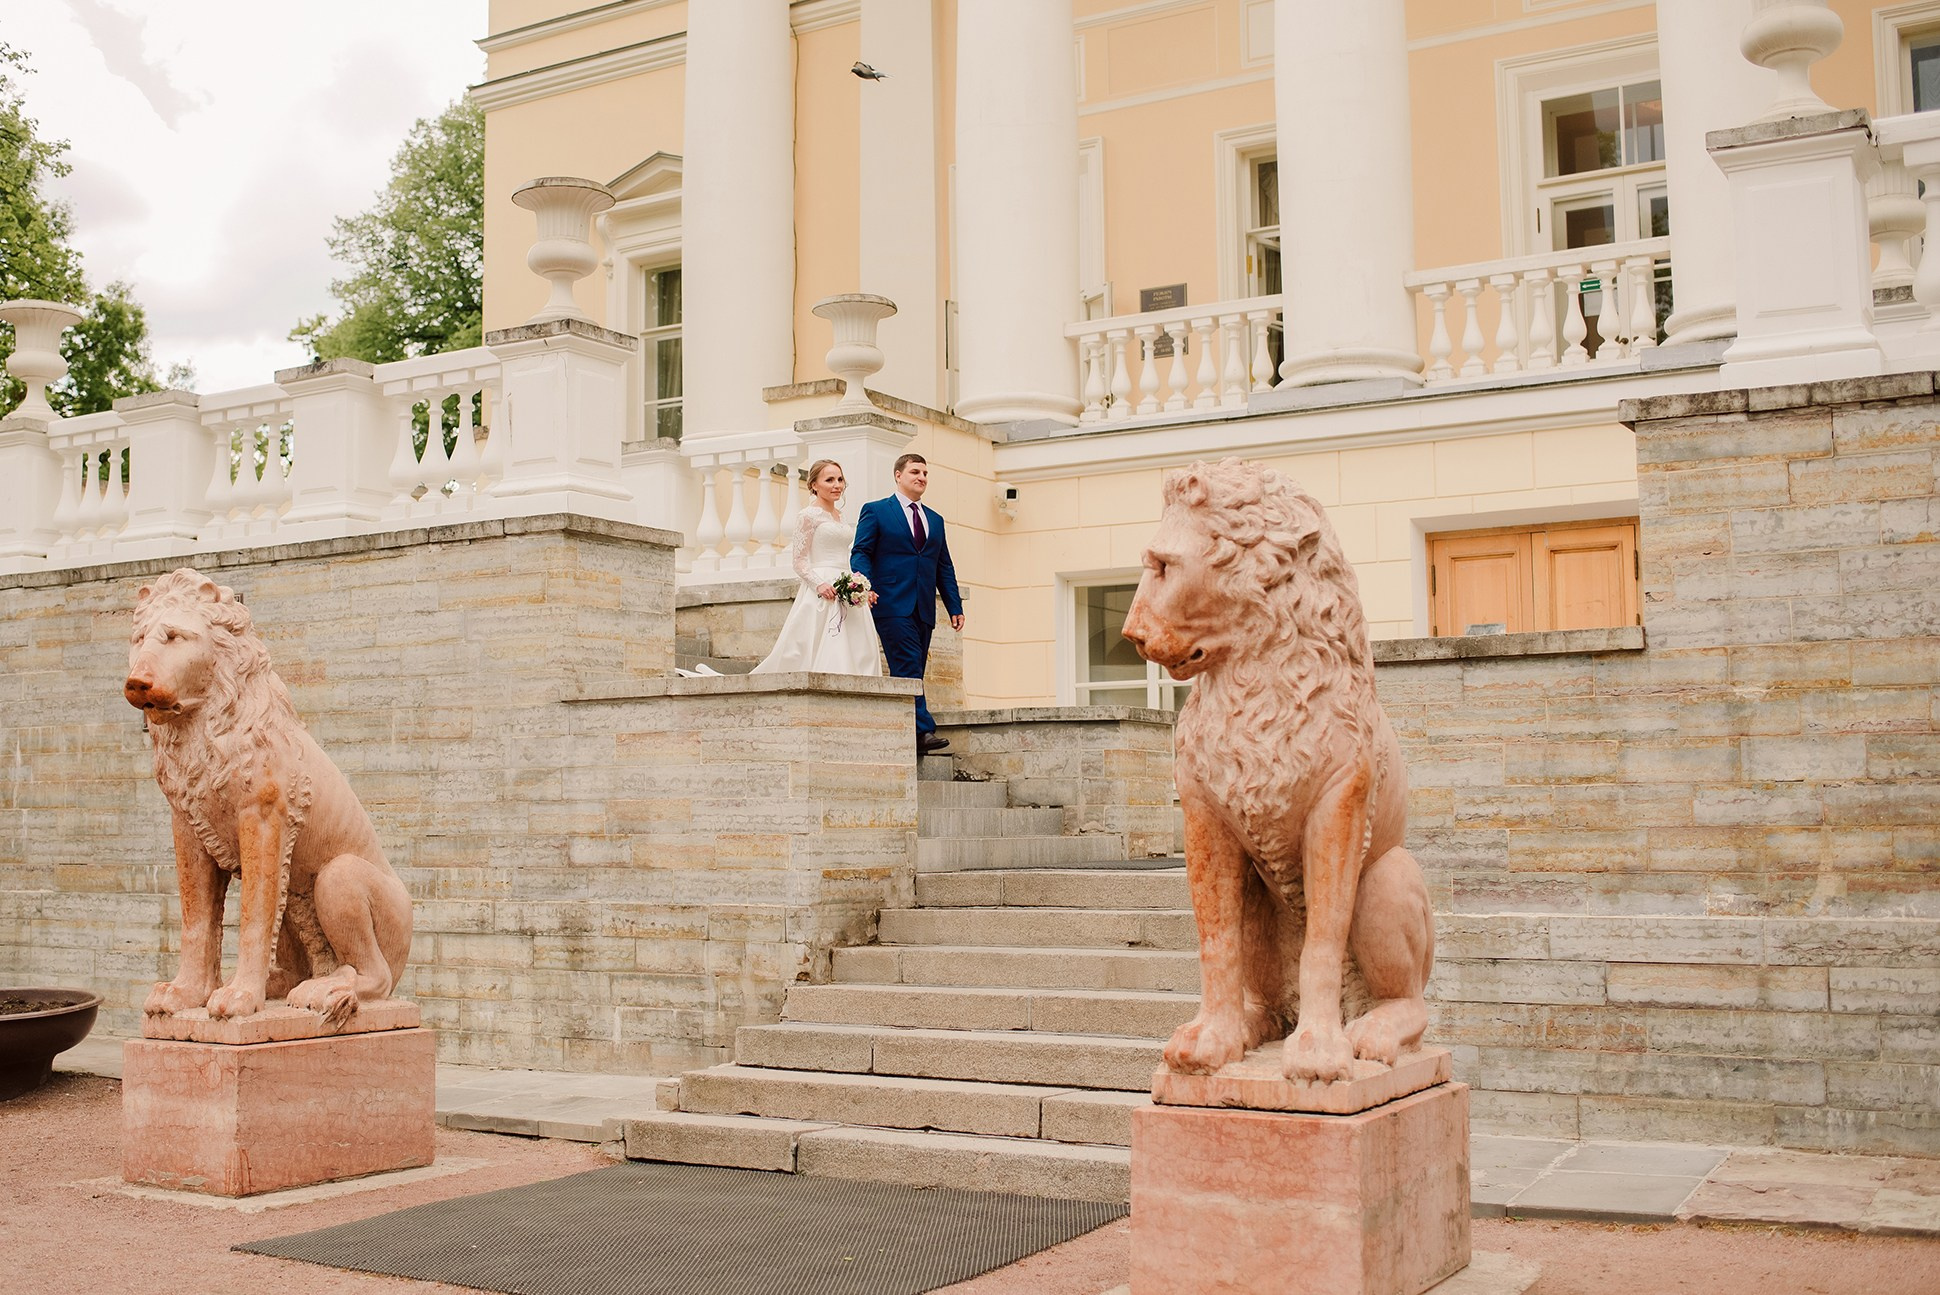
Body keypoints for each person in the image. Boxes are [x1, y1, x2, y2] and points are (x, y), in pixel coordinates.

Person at [850, 453, 964, 754]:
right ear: (898, 475)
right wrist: (866, 585)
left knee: (912, 669)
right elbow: (860, 552)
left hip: (924, 606)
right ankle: (924, 731)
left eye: (926, 473)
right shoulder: (876, 511)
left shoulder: (935, 520)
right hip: (890, 603)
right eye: (915, 471)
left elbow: (944, 566)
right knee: (907, 664)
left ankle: (908, 733)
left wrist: (954, 606)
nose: (922, 477)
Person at [749, 460, 884, 676]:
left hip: (845, 583)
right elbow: (799, 560)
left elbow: (846, 556)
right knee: (824, 640)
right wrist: (818, 584)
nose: (837, 485)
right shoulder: (807, 516)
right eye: (829, 480)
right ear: (814, 485)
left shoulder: (841, 516)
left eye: (840, 479)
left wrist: (861, 588)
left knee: (856, 639)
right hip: (822, 586)